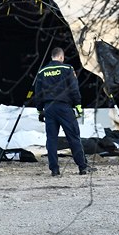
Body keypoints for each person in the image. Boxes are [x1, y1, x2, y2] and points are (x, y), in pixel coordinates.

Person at [34, 47, 89, 176]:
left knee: (51, 139)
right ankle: (82, 167)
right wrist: (78, 105)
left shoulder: (42, 71)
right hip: (64, 107)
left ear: (52, 57)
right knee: (73, 137)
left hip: (49, 108)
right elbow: (74, 88)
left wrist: (39, 110)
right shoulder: (67, 69)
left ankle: (54, 169)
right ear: (61, 57)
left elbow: (38, 93)